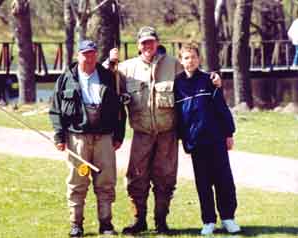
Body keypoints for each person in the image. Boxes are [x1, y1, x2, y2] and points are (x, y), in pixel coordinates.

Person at [107, 26, 222, 234]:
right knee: (136, 179)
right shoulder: (125, 68)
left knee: (166, 179)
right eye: (143, 43)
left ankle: (161, 222)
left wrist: (213, 78)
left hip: (168, 135)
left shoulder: (174, 65)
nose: (147, 46)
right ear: (138, 46)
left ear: (157, 43)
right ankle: (139, 220)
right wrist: (109, 63)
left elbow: (193, 72)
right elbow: (106, 81)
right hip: (141, 135)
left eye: (151, 41)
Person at [49, 40, 126, 237]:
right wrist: (59, 136)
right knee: (78, 181)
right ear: (78, 55)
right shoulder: (66, 79)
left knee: (106, 182)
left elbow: (119, 110)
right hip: (78, 140)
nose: (89, 58)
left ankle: (106, 224)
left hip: (104, 139)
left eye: (92, 54)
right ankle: (76, 225)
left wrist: (119, 135)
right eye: (85, 54)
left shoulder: (109, 77)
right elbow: (55, 110)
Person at [174, 43, 240, 236]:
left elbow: (221, 107)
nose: (190, 60)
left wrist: (229, 133)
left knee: (223, 180)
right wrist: (183, 139)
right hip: (195, 142)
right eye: (186, 57)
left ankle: (228, 218)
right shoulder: (177, 84)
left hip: (216, 139)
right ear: (181, 61)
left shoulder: (209, 80)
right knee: (203, 183)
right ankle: (208, 221)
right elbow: (178, 115)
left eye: (193, 57)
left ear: (199, 59)